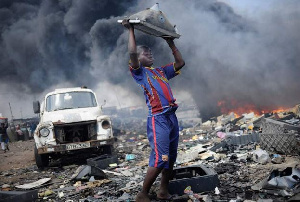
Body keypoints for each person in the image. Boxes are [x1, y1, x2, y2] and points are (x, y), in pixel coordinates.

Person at [122, 20, 185, 201]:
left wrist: (170, 41)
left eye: (150, 52)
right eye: (145, 52)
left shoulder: (161, 71)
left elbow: (180, 62)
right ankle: (142, 194)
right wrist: (131, 29)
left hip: (171, 117)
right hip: (158, 119)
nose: (149, 53)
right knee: (161, 158)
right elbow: (132, 52)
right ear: (138, 58)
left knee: (171, 157)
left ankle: (163, 191)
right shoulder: (139, 72)